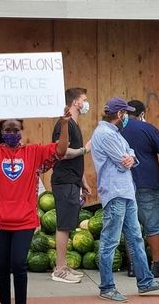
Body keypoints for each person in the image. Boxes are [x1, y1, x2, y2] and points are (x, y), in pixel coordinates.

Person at [0, 110, 82, 304]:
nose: (11, 133)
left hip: (25, 220)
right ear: (1, 131)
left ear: (21, 130)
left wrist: (64, 124)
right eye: (7, 129)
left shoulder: (34, 152)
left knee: (19, 264)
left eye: (15, 129)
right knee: (2, 266)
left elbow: (60, 151)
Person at [90, 97, 159, 302]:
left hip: (126, 192)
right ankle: (107, 286)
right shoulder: (105, 134)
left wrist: (130, 157)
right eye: (124, 113)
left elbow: (131, 155)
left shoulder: (116, 133)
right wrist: (129, 158)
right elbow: (122, 162)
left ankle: (145, 281)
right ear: (119, 115)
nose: (126, 116)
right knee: (110, 241)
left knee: (135, 238)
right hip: (115, 192)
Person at [120, 100, 159, 278]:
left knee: (131, 226)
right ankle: (157, 264)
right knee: (153, 225)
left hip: (125, 185)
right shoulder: (148, 128)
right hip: (147, 183)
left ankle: (134, 267)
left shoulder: (118, 129)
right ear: (142, 113)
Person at [50, 87, 93, 284]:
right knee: (64, 225)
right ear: (76, 102)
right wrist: (85, 150)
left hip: (73, 181)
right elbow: (63, 152)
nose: (86, 103)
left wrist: (83, 182)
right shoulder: (64, 124)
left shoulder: (74, 125)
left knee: (68, 225)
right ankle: (59, 269)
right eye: (84, 99)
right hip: (64, 181)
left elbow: (75, 159)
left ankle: (63, 265)